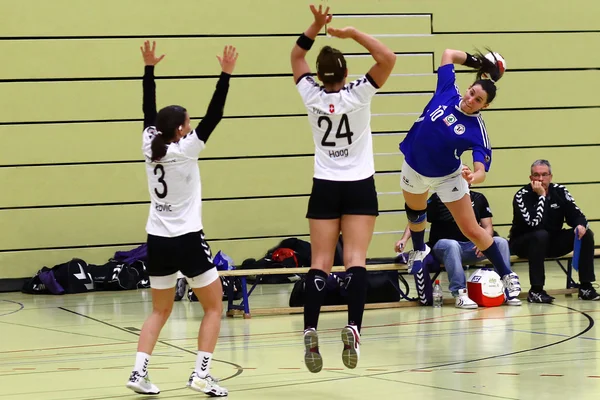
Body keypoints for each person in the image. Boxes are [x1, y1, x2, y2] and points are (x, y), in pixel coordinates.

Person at [125, 40, 237, 396]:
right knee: (214, 306)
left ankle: (138, 372)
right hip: (187, 237)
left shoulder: (149, 145)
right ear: (180, 130)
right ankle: (201, 375)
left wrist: (148, 69)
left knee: (159, 310)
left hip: (156, 239)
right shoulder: (186, 149)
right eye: (188, 123)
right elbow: (215, 116)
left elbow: (147, 112)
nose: (192, 126)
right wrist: (225, 75)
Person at [290, 5, 396, 373]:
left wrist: (316, 26)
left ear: (319, 75)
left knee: (319, 263)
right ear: (346, 73)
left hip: (325, 185)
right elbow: (388, 58)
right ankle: (353, 325)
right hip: (359, 186)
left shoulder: (311, 95)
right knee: (356, 261)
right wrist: (351, 35)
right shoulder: (359, 94)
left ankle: (310, 328)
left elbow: (296, 54)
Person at [397, 48, 521, 304]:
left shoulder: (477, 130)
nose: (471, 100)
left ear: (485, 106)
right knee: (415, 212)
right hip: (414, 167)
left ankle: (507, 274)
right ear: (467, 88)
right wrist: (479, 62)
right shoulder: (447, 91)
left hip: (447, 177)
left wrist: (473, 177)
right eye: (471, 93)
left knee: (471, 228)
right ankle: (419, 250)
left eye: (478, 100)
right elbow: (448, 53)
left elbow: (481, 170)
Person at [395, 189, 521, 308]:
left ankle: (506, 290)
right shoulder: (438, 199)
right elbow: (418, 219)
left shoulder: (478, 198)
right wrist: (404, 239)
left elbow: (488, 227)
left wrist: (483, 242)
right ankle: (460, 293)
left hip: (472, 248)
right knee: (452, 245)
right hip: (444, 247)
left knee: (501, 242)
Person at [509, 159, 599, 303]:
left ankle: (586, 287)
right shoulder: (522, 195)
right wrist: (542, 196)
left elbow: (577, 215)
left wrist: (579, 225)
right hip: (524, 242)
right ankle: (536, 290)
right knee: (540, 235)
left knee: (586, 234)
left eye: (544, 175)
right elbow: (535, 223)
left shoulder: (560, 191)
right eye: (536, 175)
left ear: (551, 176)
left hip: (551, 241)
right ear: (530, 178)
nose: (540, 179)